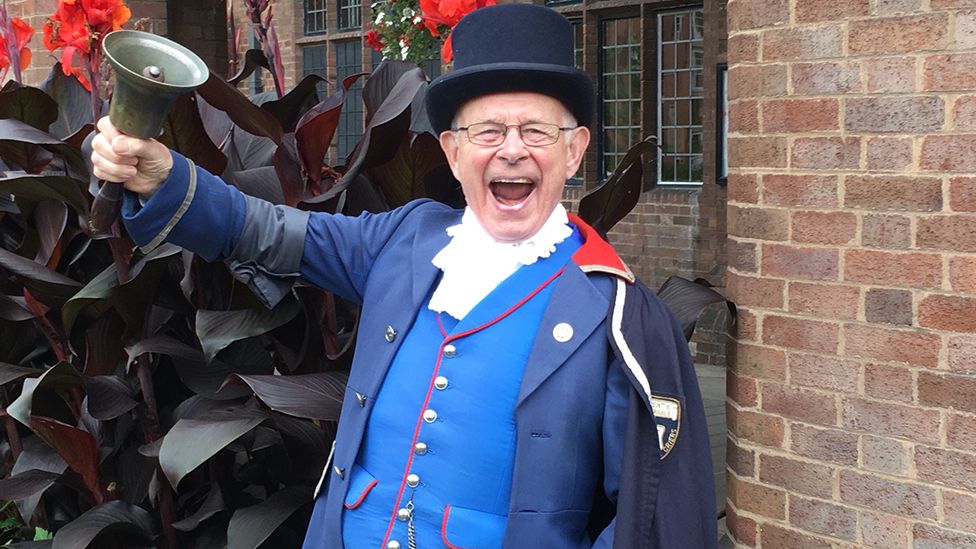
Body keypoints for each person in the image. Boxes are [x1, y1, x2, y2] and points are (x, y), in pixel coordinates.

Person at [91, 4, 717, 548]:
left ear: (574, 150)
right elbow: (264, 232)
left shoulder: (621, 314)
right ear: (451, 151)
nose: (512, 149)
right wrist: (162, 176)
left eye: (535, 131)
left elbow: (654, 517)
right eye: (488, 130)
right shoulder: (405, 240)